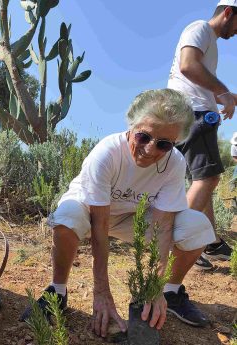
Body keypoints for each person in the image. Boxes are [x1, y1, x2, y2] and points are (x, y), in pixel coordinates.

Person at [21, 89, 216, 337]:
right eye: (143, 137)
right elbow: (99, 224)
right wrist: (101, 291)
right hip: (90, 211)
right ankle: (57, 290)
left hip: (131, 218)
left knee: (196, 225)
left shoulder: (174, 163)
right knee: (67, 216)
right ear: (131, 125)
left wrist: (153, 286)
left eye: (164, 144)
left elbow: (162, 228)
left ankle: (170, 291)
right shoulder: (108, 153)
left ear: (175, 142)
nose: (151, 149)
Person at [167, 0, 237, 270]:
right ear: (228, 13)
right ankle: (177, 245)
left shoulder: (210, 42)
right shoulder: (199, 29)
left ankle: (211, 243)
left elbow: (205, 85)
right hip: (194, 115)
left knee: (201, 178)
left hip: (192, 113)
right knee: (208, 177)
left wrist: (226, 96)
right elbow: (188, 65)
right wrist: (222, 92)